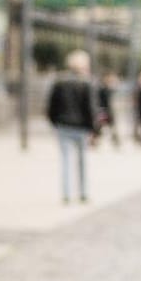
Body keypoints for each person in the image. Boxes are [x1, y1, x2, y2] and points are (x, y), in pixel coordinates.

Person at [46, 49, 97, 203]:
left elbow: (51, 106)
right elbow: (91, 108)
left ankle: (66, 194)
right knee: (82, 161)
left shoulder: (59, 82)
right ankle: (83, 193)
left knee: (65, 160)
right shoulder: (86, 83)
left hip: (63, 126)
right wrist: (93, 128)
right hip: (81, 127)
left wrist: (55, 122)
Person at [95, 72, 120, 148]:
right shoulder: (103, 89)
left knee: (110, 127)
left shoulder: (106, 89)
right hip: (104, 111)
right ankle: (95, 140)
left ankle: (116, 141)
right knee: (100, 126)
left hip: (107, 111)